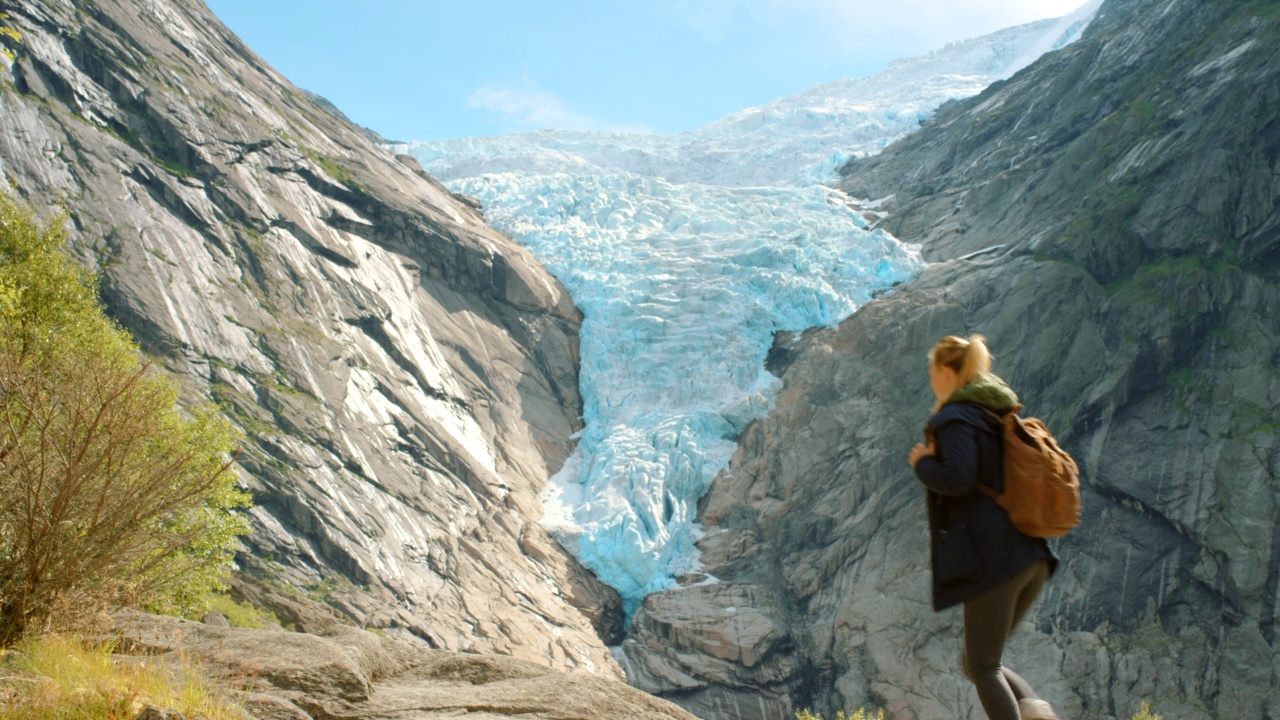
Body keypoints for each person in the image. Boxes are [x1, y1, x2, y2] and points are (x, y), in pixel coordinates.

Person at [907, 335, 1060, 720]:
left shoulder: (956, 417)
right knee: (979, 662)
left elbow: (957, 478)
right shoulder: (994, 415)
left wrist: (923, 463)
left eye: (931, 371)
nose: (931, 380)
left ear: (945, 371)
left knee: (983, 667)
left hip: (996, 560)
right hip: (1030, 555)